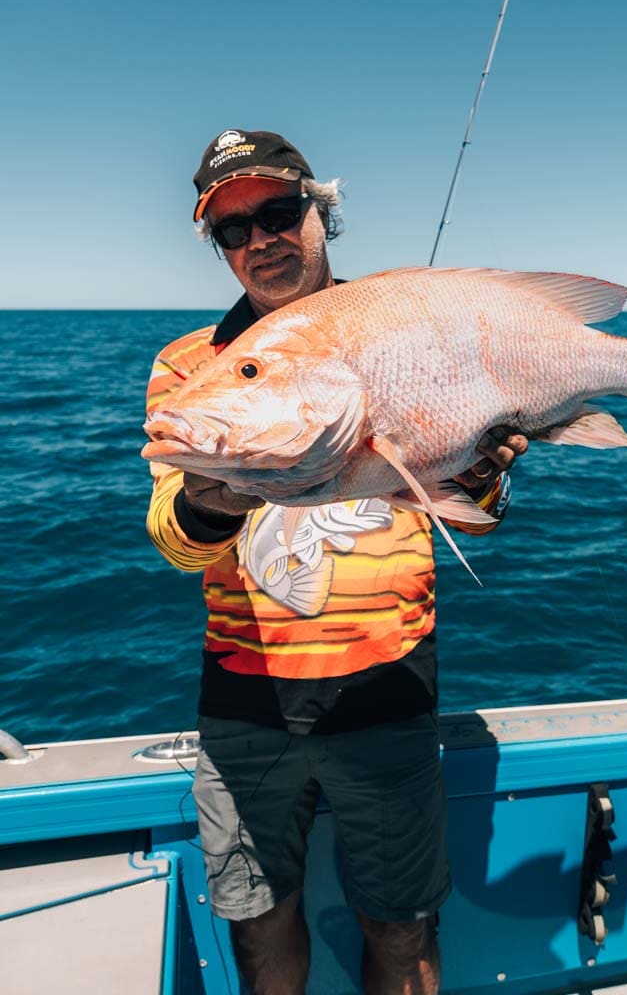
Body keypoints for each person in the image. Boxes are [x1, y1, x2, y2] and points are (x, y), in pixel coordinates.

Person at [145, 129, 528, 995]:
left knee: (403, 925)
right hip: (245, 702)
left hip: (388, 689)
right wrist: (223, 487)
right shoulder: (186, 370)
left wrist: (482, 475)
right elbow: (172, 540)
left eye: (278, 212)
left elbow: (475, 523)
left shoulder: (406, 325)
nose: (260, 241)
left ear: (321, 211)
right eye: (232, 231)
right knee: (258, 926)